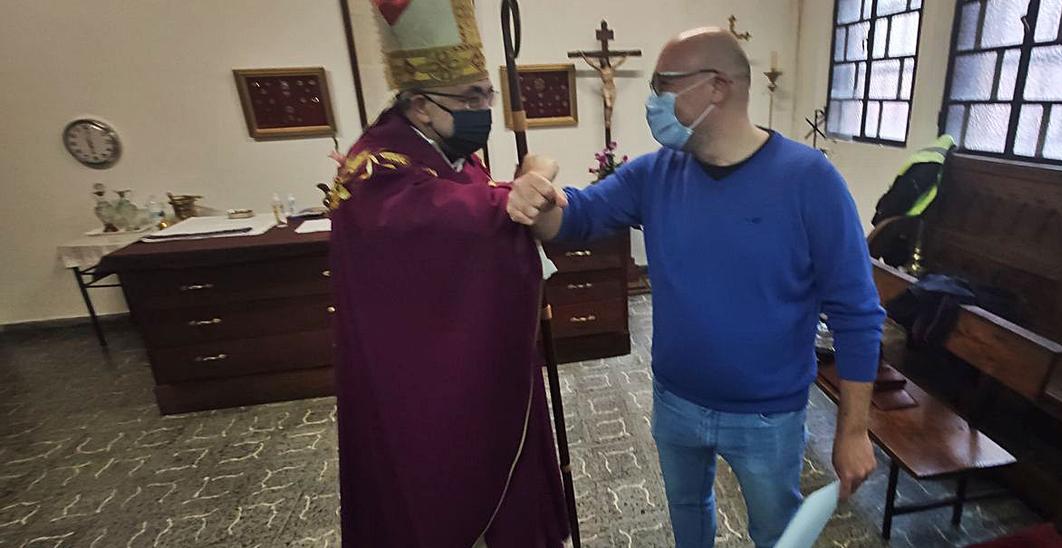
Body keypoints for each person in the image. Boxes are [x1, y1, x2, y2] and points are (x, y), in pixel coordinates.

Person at [508, 27, 886, 548]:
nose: (653, 100)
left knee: (776, 532)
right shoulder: (655, 174)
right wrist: (538, 196)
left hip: (767, 413)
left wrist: (852, 429)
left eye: (665, 85)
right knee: (689, 515)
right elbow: (576, 217)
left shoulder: (809, 180)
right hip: (676, 399)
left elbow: (857, 312)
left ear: (716, 86)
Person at [327, 0, 568, 546]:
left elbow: (477, 200)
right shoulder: (375, 167)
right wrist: (513, 195)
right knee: (440, 483)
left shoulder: (449, 150)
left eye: (488, 93)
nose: (484, 108)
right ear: (417, 105)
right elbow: (437, 219)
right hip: (423, 378)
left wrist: (529, 180)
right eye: (470, 97)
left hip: (483, 364)